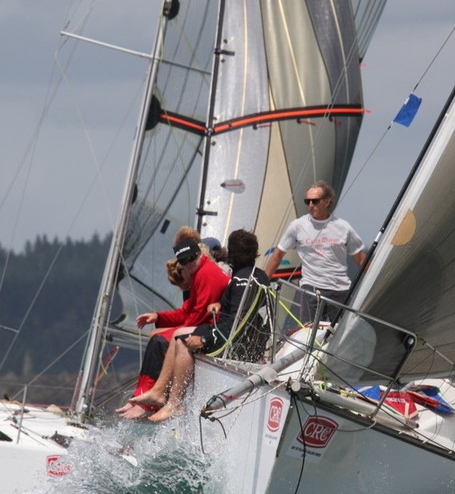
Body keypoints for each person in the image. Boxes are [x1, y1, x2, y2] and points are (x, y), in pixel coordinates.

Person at [136, 229, 271, 422]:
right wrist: (220, 306)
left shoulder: (237, 280)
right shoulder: (259, 276)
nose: (187, 264)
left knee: (181, 340)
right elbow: (242, 315)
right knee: (177, 335)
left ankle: (174, 403)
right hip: (249, 343)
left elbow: (236, 323)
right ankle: (158, 392)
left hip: (233, 342)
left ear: (230, 255)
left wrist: (205, 338)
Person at [118, 239, 229, 419]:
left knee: (160, 341)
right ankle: (141, 396)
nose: (189, 263)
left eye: (192, 258)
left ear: (199, 254)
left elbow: (199, 315)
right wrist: (159, 317)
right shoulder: (199, 272)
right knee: (156, 335)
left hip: (212, 328)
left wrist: (169, 332)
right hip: (203, 324)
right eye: (184, 261)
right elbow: (187, 312)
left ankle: (149, 401)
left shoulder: (206, 274)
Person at [264, 180, 366, 323]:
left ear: (327, 202)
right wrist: (263, 281)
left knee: (339, 334)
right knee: (307, 334)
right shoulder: (297, 226)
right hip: (311, 288)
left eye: (315, 201)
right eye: (308, 201)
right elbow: (278, 255)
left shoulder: (343, 227)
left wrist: (378, 281)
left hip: (340, 290)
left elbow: (360, 258)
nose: (311, 205)